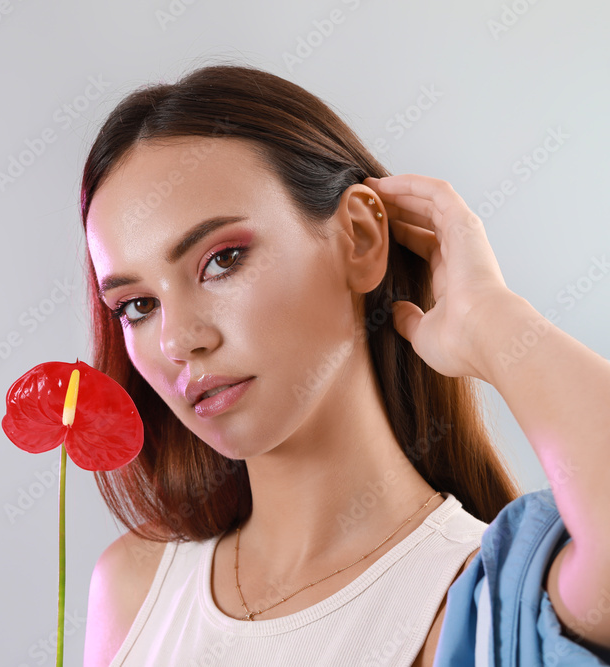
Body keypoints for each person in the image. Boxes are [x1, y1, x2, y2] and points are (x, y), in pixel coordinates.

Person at [77, 62, 610, 666]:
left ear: (358, 237)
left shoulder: (481, 602)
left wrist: (493, 323)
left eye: (221, 260)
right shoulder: (134, 591)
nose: (178, 341)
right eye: (139, 305)